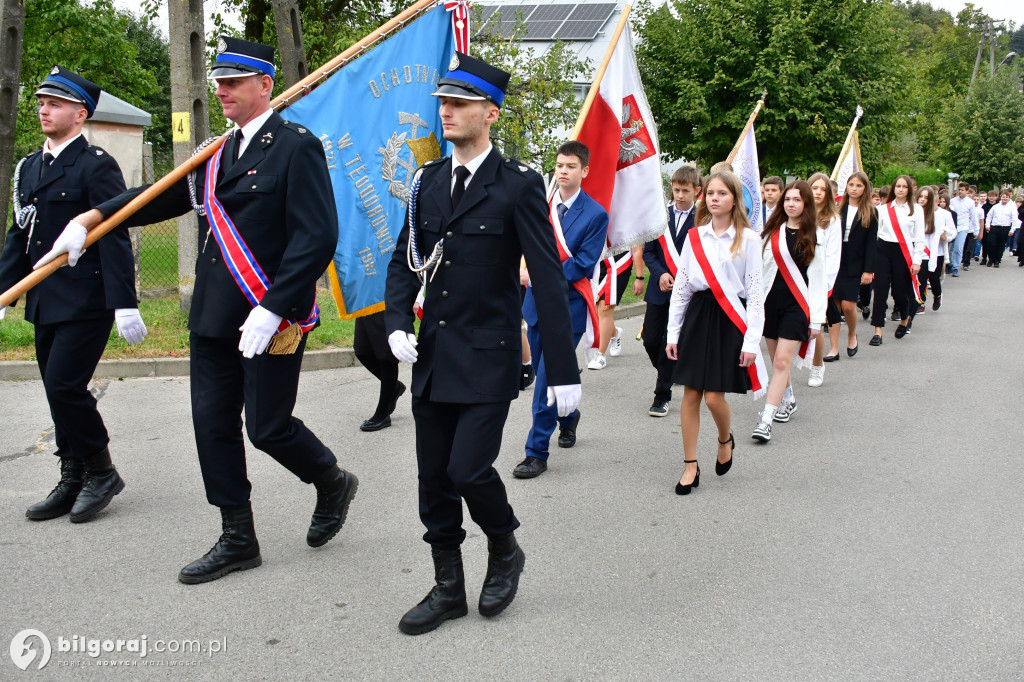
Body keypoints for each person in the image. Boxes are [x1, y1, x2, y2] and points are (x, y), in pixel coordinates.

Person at [43, 37, 357, 583]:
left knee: (267, 427)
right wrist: (91, 220)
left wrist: (273, 304)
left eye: (234, 82)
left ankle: (331, 480)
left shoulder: (295, 146)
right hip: (214, 312)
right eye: (219, 82)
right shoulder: (218, 151)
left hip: (270, 316)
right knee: (211, 425)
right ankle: (238, 536)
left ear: (265, 86)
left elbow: (317, 235)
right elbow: (157, 197)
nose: (222, 91)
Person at [384, 52, 581, 635]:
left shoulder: (518, 184)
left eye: (460, 103)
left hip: (491, 356)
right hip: (435, 356)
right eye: (443, 101)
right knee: (432, 479)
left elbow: (547, 278)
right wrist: (397, 321)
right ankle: (448, 587)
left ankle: (504, 547)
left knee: (469, 470)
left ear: (490, 113)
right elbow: (404, 259)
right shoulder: (426, 181)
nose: (446, 110)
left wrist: (563, 372)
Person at [0, 66, 145, 523]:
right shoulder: (29, 167)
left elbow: (114, 231)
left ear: (80, 114)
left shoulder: (95, 163)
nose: (44, 109)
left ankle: (102, 471)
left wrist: (125, 300)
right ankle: (72, 475)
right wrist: (4, 293)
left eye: (55, 103)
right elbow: (18, 236)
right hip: (46, 299)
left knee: (64, 385)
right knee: (56, 389)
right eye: (41, 102)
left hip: (87, 299)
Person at [665, 171, 764, 494]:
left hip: (729, 319)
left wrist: (751, 340)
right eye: (709, 193)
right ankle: (690, 465)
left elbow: (755, 294)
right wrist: (672, 333)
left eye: (721, 193)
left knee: (713, 398)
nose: (714, 198)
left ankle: (725, 438)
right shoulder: (696, 237)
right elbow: (681, 288)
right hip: (698, 315)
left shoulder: (748, 239)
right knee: (690, 393)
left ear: (735, 198)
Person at [514, 141, 607, 479]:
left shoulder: (596, 214)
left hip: (568, 310)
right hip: (536, 306)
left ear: (584, 171)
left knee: (546, 384)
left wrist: (538, 274)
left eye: (570, 166)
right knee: (547, 376)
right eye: (559, 165)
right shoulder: (542, 206)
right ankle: (569, 417)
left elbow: (582, 265)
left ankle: (536, 452)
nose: (563, 171)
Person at [752, 181, 825, 442]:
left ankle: (766, 420)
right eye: (787, 200)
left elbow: (818, 279)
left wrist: (816, 318)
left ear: (806, 204)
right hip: (770, 303)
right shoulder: (772, 231)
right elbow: (759, 270)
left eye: (796, 199)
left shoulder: (815, 234)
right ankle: (789, 399)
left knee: (782, 361)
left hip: (797, 305)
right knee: (777, 361)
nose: (791, 204)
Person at [642, 164, 701, 417]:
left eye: (685, 191)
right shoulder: (660, 216)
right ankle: (669, 371)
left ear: (697, 192)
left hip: (686, 293)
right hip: (659, 289)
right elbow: (649, 252)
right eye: (676, 190)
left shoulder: (702, 220)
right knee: (650, 340)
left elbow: (702, 257)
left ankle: (662, 395)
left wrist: (684, 279)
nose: (679, 195)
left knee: (669, 342)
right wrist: (660, 273)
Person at [868, 175, 923, 345]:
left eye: (904, 187)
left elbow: (919, 237)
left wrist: (917, 260)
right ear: (893, 188)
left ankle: (905, 318)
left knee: (900, 291)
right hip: (883, 250)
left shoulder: (916, 210)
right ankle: (878, 330)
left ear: (910, 189)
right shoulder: (883, 209)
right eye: (898, 186)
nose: (900, 189)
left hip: (904, 251)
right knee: (880, 290)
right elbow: (875, 234)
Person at [827, 171, 876, 358]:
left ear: (865, 189)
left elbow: (872, 244)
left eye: (859, 186)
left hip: (856, 263)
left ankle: (852, 334)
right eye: (851, 185)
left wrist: (868, 270)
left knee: (848, 306)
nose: (854, 189)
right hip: (836, 259)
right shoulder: (838, 208)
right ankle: (834, 348)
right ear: (846, 187)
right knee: (834, 305)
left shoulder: (871, 212)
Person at [806, 172, 840, 386]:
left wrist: (826, 285)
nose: (817, 192)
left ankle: (817, 366)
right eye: (814, 188)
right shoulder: (800, 215)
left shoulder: (833, 220)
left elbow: (833, 256)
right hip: (798, 278)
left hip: (819, 281)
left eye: (822, 189)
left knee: (814, 326)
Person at [587, 245, 642, 370]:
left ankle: (600, 355)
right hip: (598, 264)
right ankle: (615, 333)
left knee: (604, 308)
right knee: (596, 312)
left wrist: (639, 277)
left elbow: (637, 247)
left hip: (619, 265)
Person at [353, 311, 405, 431]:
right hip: (365, 301)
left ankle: (382, 414)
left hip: (385, 300)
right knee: (362, 351)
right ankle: (394, 387)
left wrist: (417, 299)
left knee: (385, 355)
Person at [985, 189, 1020, 267]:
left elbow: (1014, 219)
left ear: (1009, 198)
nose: (1005, 198)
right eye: (1003, 197)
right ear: (1000, 197)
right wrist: (987, 225)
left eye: (1006, 197)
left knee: (1000, 245)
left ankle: (997, 260)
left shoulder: (1012, 207)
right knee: (991, 243)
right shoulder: (996, 206)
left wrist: (1012, 230)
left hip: (1005, 228)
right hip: (994, 227)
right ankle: (991, 258)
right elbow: (989, 216)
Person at [948, 182, 973, 277]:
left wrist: (975, 229)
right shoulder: (953, 201)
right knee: (951, 248)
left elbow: (973, 216)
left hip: (963, 227)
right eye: (959, 190)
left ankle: (956, 267)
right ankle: (950, 264)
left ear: (967, 191)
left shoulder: (970, 202)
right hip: (953, 227)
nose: (960, 192)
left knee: (958, 247)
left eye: (962, 190)